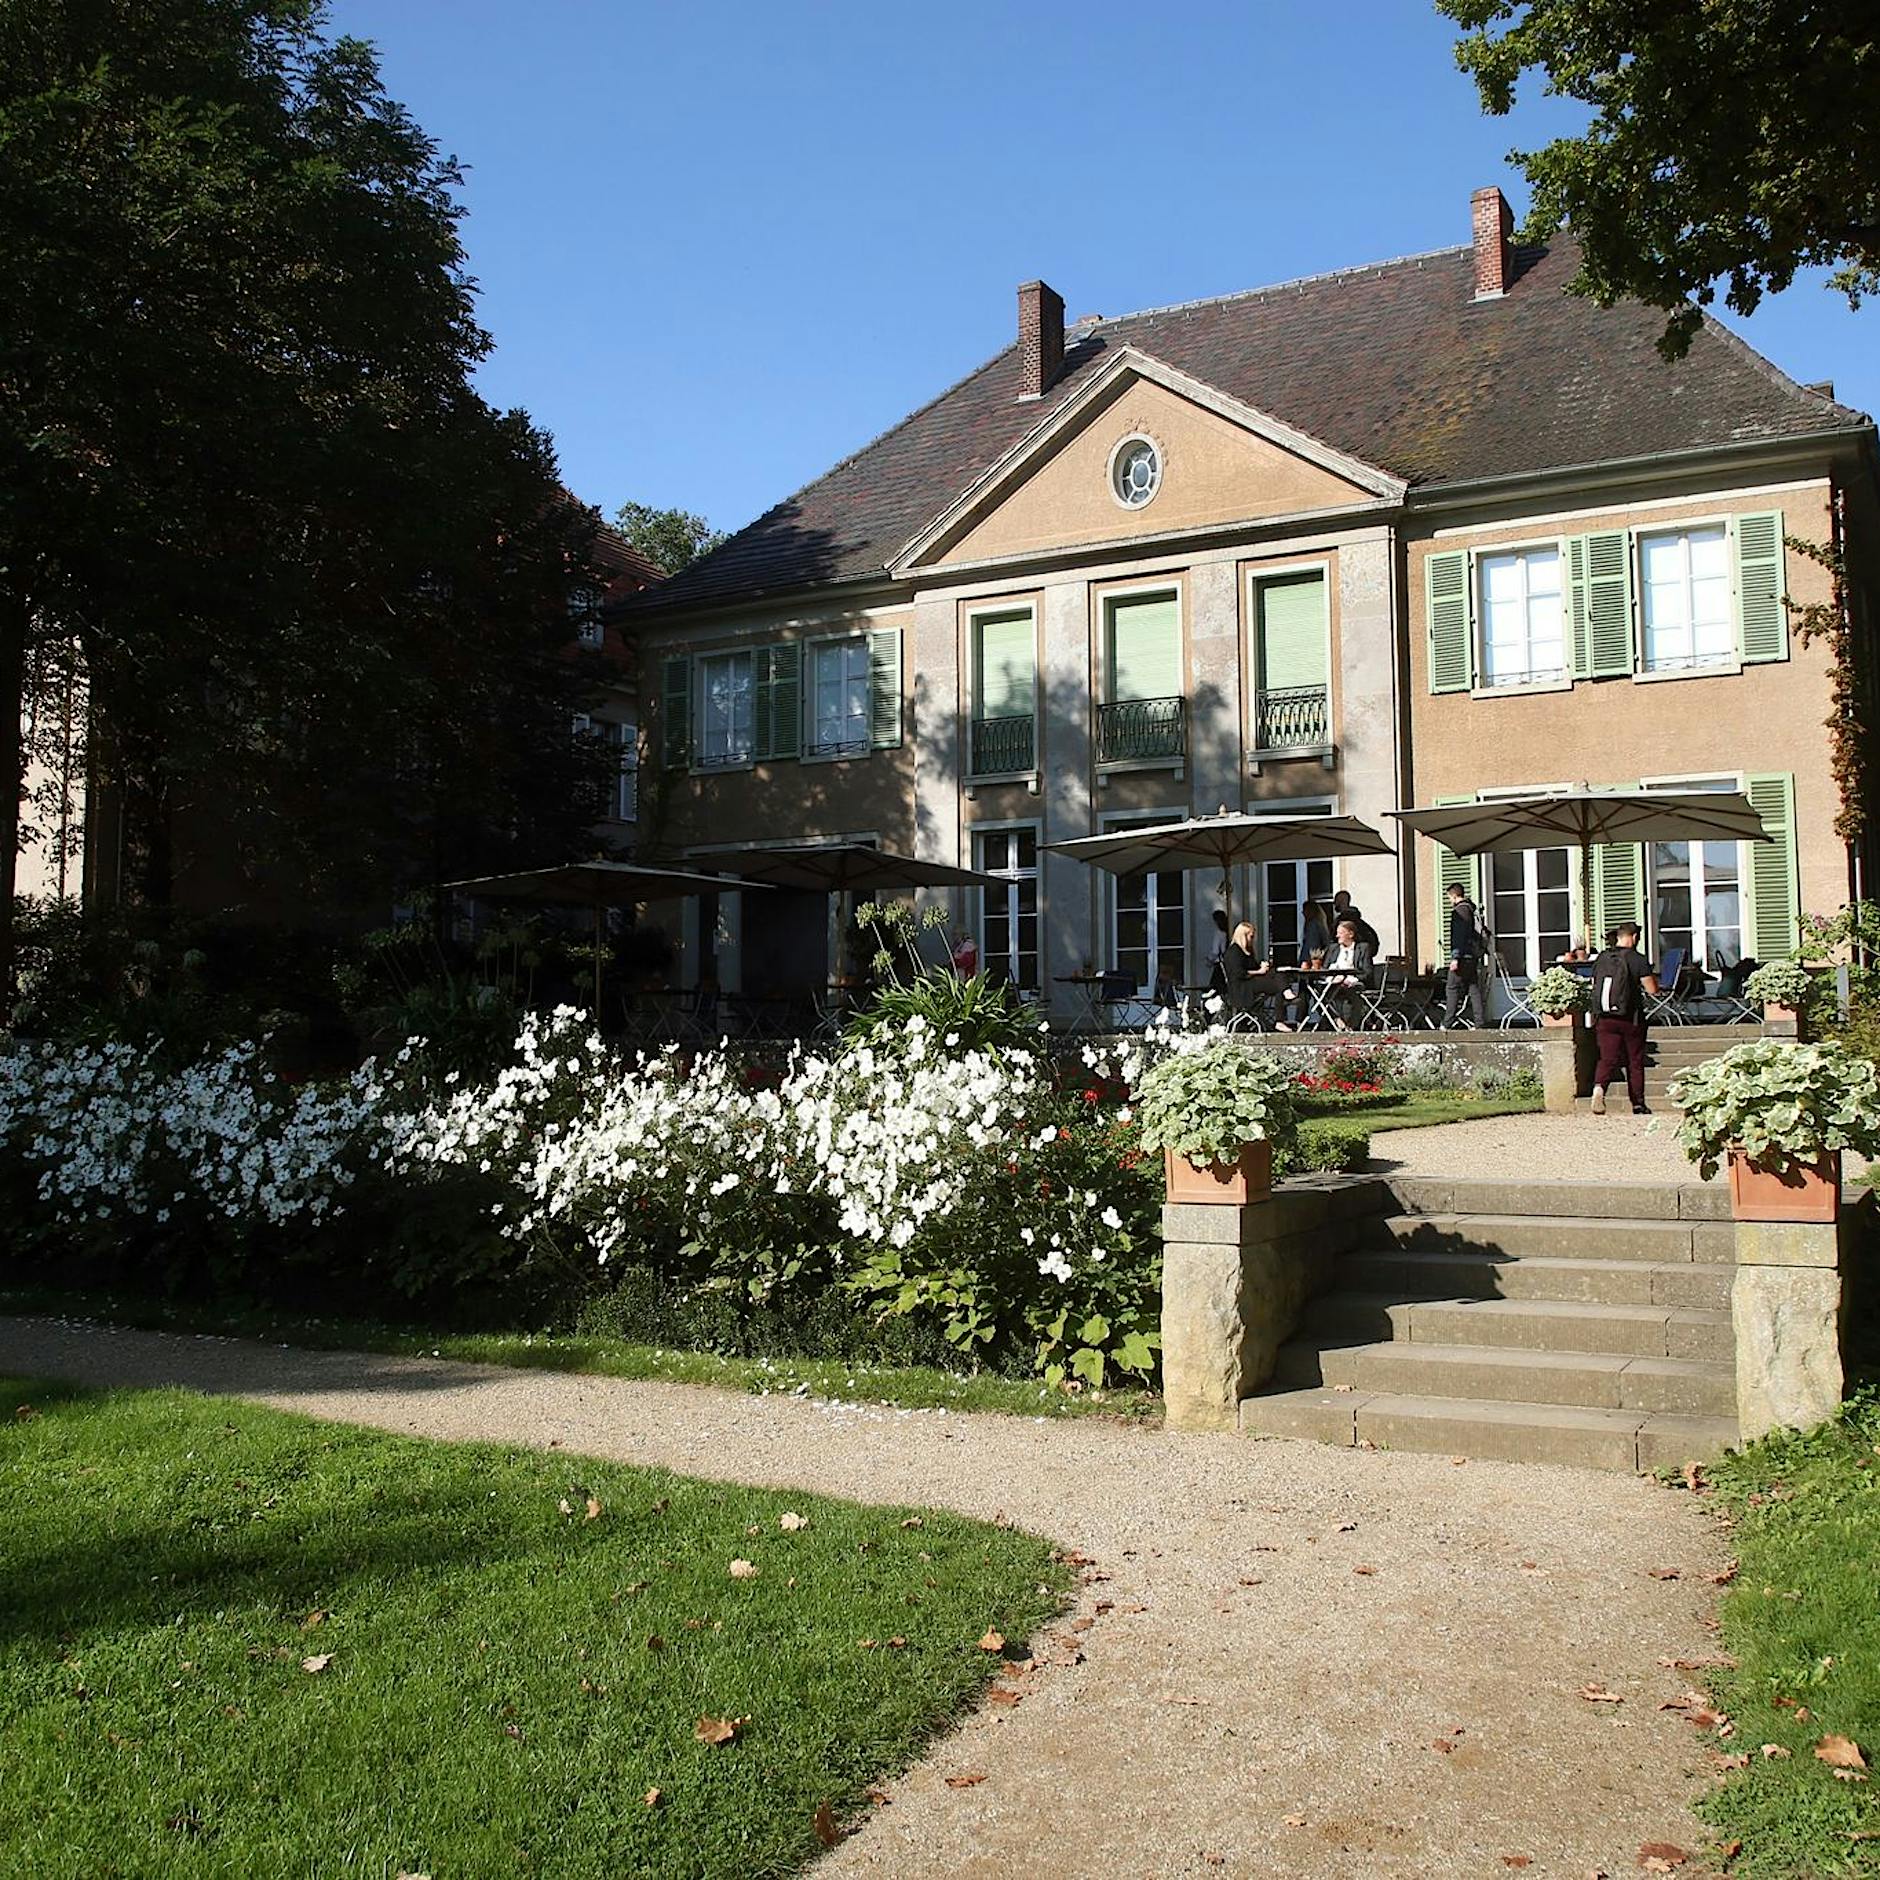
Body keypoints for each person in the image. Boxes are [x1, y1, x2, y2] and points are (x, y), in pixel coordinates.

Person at [1589, 921, 1661, 1115]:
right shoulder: (1638, 959)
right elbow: (1652, 990)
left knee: (1607, 1058)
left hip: (1604, 1017)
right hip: (1631, 1017)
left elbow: (1594, 983)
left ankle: (1599, 1089)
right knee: (1635, 1060)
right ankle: (1638, 1103)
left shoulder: (1602, 958)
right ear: (1635, 937)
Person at [1441, 881, 1488, 1029]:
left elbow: (1459, 937)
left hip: (1462, 956)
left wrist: (1455, 957)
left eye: (1449, 897)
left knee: (1452, 988)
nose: (1449, 901)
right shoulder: (1471, 910)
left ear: (1454, 896)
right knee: (1473, 988)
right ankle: (1479, 1022)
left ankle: (1447, 1022)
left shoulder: (1459, 912)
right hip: (1472, 956)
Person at [1320, 917, 1375, 1029]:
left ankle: (1352, 1025)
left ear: (1350, 934)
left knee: (1355, 992)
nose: (1337, 936)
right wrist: (1332, 979)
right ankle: (1336, 1019)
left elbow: (1367, 972)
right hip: (1334, 982)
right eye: (1337, 933)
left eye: (1340, 933)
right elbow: (1324, 970)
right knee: (1318, 993)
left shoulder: (1362, 948)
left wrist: (1349, 979)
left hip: (1353, 983)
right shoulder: (1333, 949)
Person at [1332, 889, 1380, 954]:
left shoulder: (1341, 923)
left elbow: (1333, 940)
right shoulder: (1360, 923)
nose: (1334, 904)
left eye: (1336, 901)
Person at [1206, 908, 1232, 996]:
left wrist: (1209, 960)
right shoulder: (1227, 933)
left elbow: (1216, 951)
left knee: (1213, 988)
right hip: (1226, 963)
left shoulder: (1219, 933)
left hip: (1219, 964)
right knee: (1223, 987)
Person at [1299, 898, 1331, 966]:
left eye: (1305, 910)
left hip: (1312, 959)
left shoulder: (1314, 925)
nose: (1303, 912)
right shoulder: (1317, 924)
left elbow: (1312, 944)